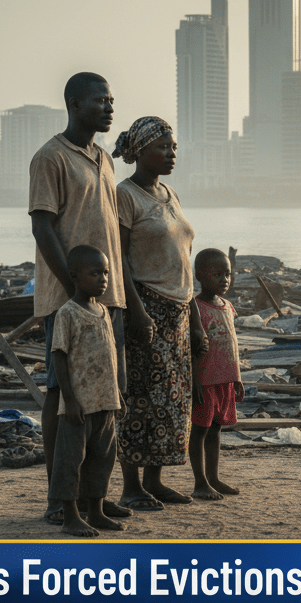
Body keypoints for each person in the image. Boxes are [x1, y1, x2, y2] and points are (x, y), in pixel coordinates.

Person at [29, 71, 131, 525]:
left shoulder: (104, 159)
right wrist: (72, 287)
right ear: (73, 103)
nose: (109, 107)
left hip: (108, 299)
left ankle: (93, 498)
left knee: (106, 397)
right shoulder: (51, 157)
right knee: (61, 395)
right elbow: (42, 225)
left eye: (111, 100)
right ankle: (58, 498)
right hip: (67, 298)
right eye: (99, 101)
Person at [111, 116, 206, 510]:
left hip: (179, 312)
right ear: (140, 152)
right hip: (146, 308)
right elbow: (119, 260)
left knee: (172, 400)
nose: (171, 154)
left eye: (174, 148)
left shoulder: (170, 193)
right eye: (163, 148)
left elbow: (183, 258)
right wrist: (136, 312)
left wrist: (195, 318)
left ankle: (155, 481)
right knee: (141, 400)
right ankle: (131, 486)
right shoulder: (125, 195)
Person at [48, 245, 125, 538]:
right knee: (70, 461)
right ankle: (70, 516)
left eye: (105, 272)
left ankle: (97, 511)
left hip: (105, 401)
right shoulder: (67, 313)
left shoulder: (104, 311)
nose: (102, 279)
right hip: (78, 405)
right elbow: (59, 356)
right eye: (94, 273)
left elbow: (110, 355)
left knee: (102, 459)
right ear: (75, 277)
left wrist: (118, 393)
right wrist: (69, 398)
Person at [190, 248, 243, 500]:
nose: (224, 279)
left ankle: (214, 478)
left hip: (225, 381)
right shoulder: (195, 308)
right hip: (205, 381)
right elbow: (190, 348)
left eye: (228, 274)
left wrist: (238, 378)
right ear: (200, 275)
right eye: (217, 274)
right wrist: (194, 381)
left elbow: (232, 344)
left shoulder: (228, 307)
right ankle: (200, 482)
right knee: (199, 430)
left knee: (216, 430)